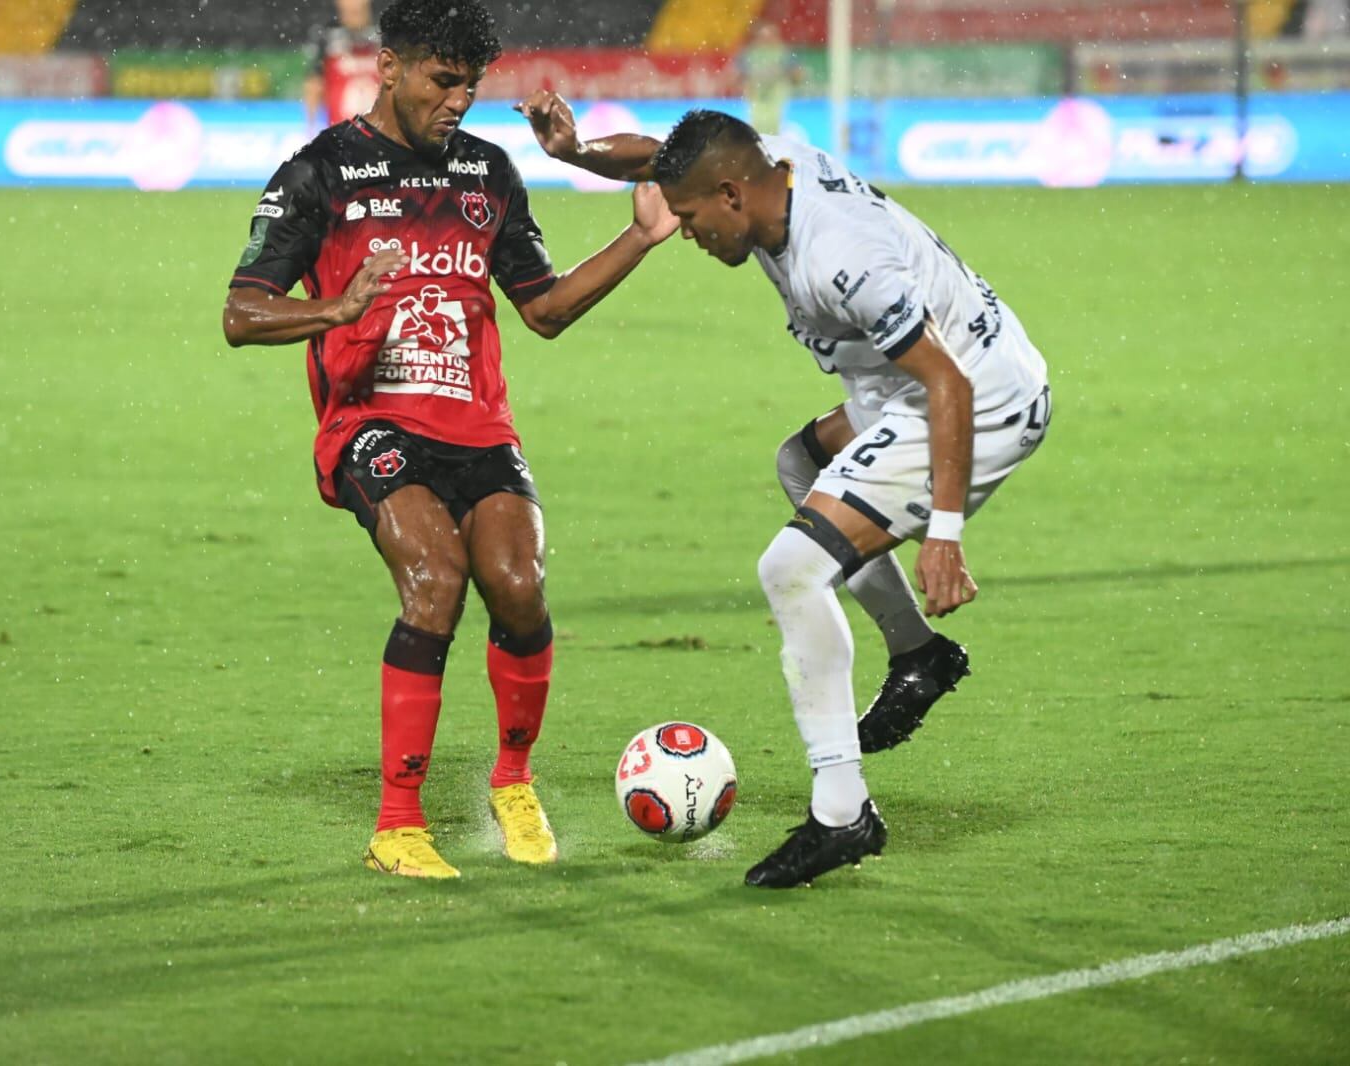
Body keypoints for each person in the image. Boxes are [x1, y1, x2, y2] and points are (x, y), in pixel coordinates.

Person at [518, 99, 1051, 887]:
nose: (689, 236)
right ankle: (920, 657)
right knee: (799, 465)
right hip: (902, 388)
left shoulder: (843, 257)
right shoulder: (765, 163)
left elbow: (946, 382)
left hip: (971, 397)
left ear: (733, 195)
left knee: (792, 569)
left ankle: (843, 815)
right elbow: (658, 161)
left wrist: (944, 534)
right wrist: (575, 152)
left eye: (694, 221)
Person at [224, 0, 676, 879]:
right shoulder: (321, 172)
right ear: (389, 67)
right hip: (371, 422)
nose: (458, 100)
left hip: (477, 423)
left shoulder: (489, 172)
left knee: (518, 585)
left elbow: (542, 308)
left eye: (470, 84)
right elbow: (242, 314)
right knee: (435, 581)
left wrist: (640, 237)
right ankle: (398, 824)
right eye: (442, 80)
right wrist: (336, 308)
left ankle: (513, 781)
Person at [302, 0, 383, 132]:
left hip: (381, 136)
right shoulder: (327, 36)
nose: (353, 3)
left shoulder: (385, 34)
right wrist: (310, 128)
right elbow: (314, 85)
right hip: (342, 136)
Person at [737, 20, 803, 136]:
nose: (766, 40)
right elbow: (735, 75)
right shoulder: (750, 54)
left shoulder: (783, 53)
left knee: (775, 130)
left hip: (776, 102)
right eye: (763, 37)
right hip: (756, 102)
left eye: (769, 36)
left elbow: (798, 75)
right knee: (756, 130)